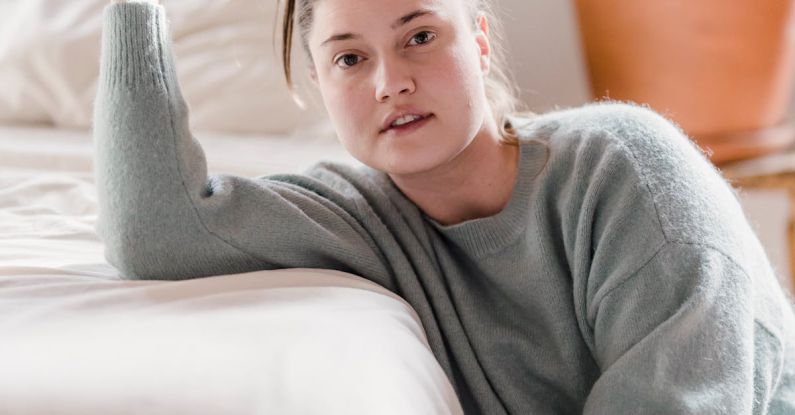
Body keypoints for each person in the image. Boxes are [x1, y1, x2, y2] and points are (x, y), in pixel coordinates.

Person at [96, 0, 795, 413]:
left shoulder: (628, 166)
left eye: (419, 37)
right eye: (349, 59)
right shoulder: (358, 216)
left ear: (480, 41)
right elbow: (157, 229)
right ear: (317, 83)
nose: (390, 83)